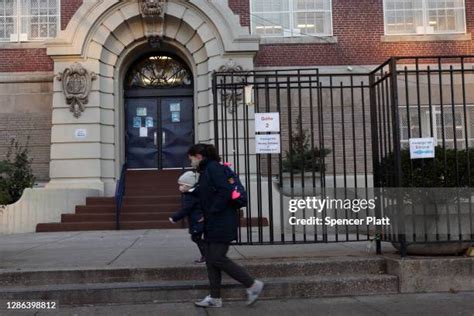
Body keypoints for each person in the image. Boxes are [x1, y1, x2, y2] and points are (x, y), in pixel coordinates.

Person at [188, 143, 264, 308]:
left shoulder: (213, 168)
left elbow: (224, 192)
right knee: (210, 258)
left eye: (191, 158)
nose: (191, 162)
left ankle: (252, 285)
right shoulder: (207, 170)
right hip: (214, 221)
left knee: (217, 257)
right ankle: (215, 298)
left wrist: (212, 211)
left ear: (198, 156)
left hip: (222, 221)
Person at [169, 171, 206, 264]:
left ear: (188, 186)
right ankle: (207, 254)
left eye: (182, 185)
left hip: (198, 220)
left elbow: (186, 209)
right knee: (197, 237)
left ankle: (206, 255)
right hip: (197, 219)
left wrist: (174, 218)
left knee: (196, 237)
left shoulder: (191, 196)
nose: (179, 187)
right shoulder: (191, 194)